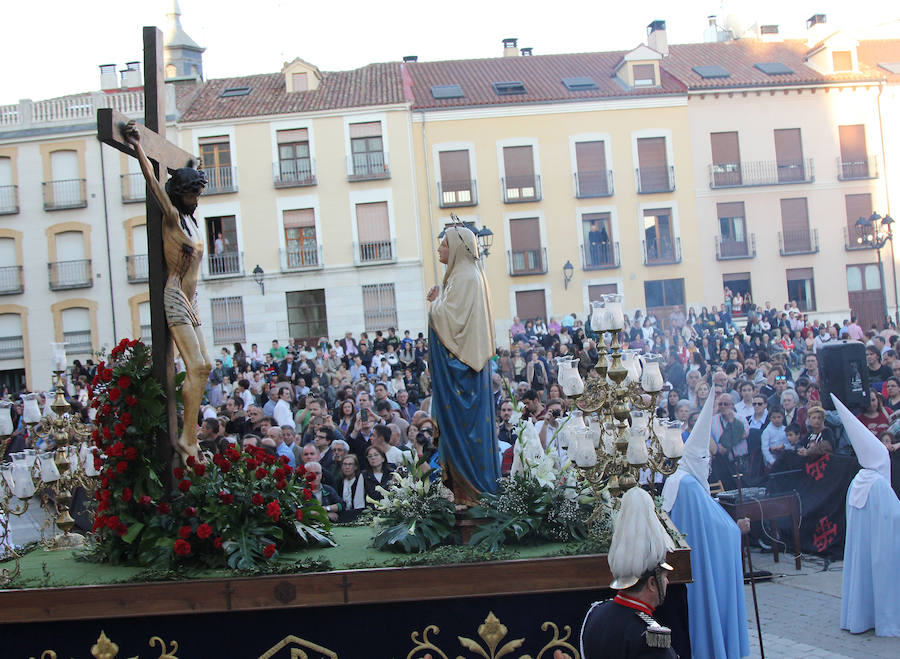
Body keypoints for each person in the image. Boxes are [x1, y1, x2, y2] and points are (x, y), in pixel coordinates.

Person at [123, 120, 211, 463]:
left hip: (193, 299)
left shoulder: (192, 219)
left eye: (199, 193)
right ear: (179, 193)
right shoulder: (173, 217)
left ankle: (191, 437)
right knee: (196, 366)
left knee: (206, 367)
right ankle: (187, 440)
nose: (197, 198)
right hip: (174, 294)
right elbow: (152, 182)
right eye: (192, 193)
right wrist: (138, 147)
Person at [661, 395, 750, 659]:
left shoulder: (677, 480)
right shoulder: (687, 485)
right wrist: (737, 528)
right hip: (699, 566)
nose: (708, 463)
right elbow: (718, 530)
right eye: (704, 458)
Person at [426, 225, 499, 505]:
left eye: (444, 244)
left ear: (456, 248)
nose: (440, 249)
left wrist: (435, 303)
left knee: (465, 435)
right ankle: (464, 495)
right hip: (468, 372)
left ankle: (472, 496)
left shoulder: (466, 277)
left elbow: (448, 324)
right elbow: (455, 317)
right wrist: (442, 296)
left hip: (463, 376)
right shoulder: (462, 276)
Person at [579, 487, 677, 658]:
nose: (667, 582)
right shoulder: (649, 638)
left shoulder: (596, 613)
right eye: (664, 577)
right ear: (652, 584)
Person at [831, 395, 900, 637]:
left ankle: (860, 617)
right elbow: (893, 515)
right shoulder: (879, 484)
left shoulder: (859, 479)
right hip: (880, 545)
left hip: (863, 544)